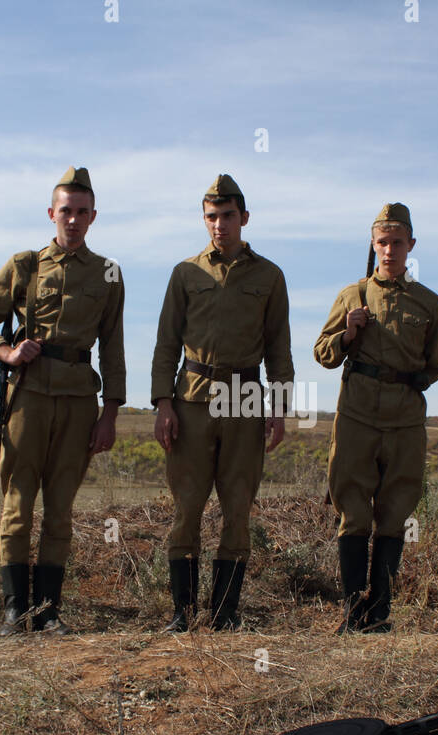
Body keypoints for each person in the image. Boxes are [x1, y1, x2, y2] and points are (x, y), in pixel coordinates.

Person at [0, 167, 125, 636]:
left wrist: (109, 413)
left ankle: (48, 611)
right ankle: (15, 610)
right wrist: (7, 352)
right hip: (27, 398)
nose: (72, 220)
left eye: (81, 212)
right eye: (64, 211)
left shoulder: (108, 273)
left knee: (60, 509)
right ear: (51, 213)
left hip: (78, 402)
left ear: (93, 217)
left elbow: (112, 347)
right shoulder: (25, 265)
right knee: (17, 503)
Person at [151, 174, 293, 632]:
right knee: (187, 506)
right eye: (211, 217)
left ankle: (226, 612)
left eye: (228, 216)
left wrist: (280, 406)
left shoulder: (269, 276)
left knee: (237, 508)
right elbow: (166, 343)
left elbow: (279, 347)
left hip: (246, 396)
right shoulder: (185, 273)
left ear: (244, 218)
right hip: (192, 396)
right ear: (204, 220)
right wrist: (162, 403)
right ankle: (183, 612)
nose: (219, 225)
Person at [314, 204, 438, 633]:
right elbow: (323, 353)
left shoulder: (428, 302)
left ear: (411, 246)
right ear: (374, 245)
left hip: (405, 418)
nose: (390, 250)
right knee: (352, 509)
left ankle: (379, 613)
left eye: (398, 242)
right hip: (356, 414)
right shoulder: (352, 295)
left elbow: (435, 364)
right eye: (382, 242)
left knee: (394, 512)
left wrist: (405, 382)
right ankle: (352, 612)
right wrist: (348, 333)